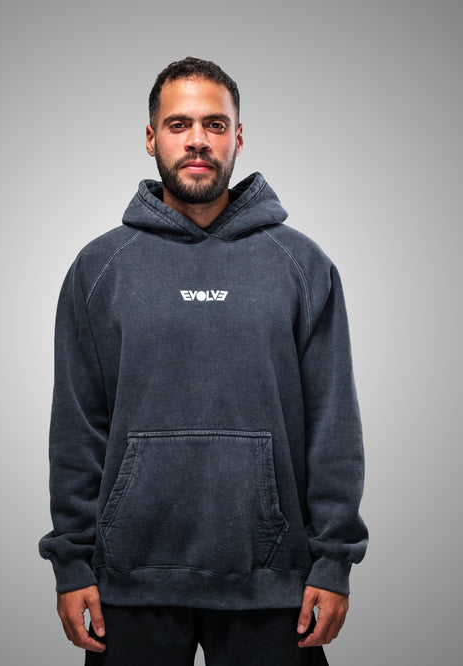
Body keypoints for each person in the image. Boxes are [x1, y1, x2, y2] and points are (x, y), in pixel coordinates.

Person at [39, 56, 368, 665]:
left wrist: (334, 561)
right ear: (150, 137)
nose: (197, 140)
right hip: (128, 582)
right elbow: (78, 427)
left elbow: (334, 424)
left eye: (215, 125)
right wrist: (72, 562)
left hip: (273, 581)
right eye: (179, 124)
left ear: (238, 137)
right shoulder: (100, 268)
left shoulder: (301, 265)